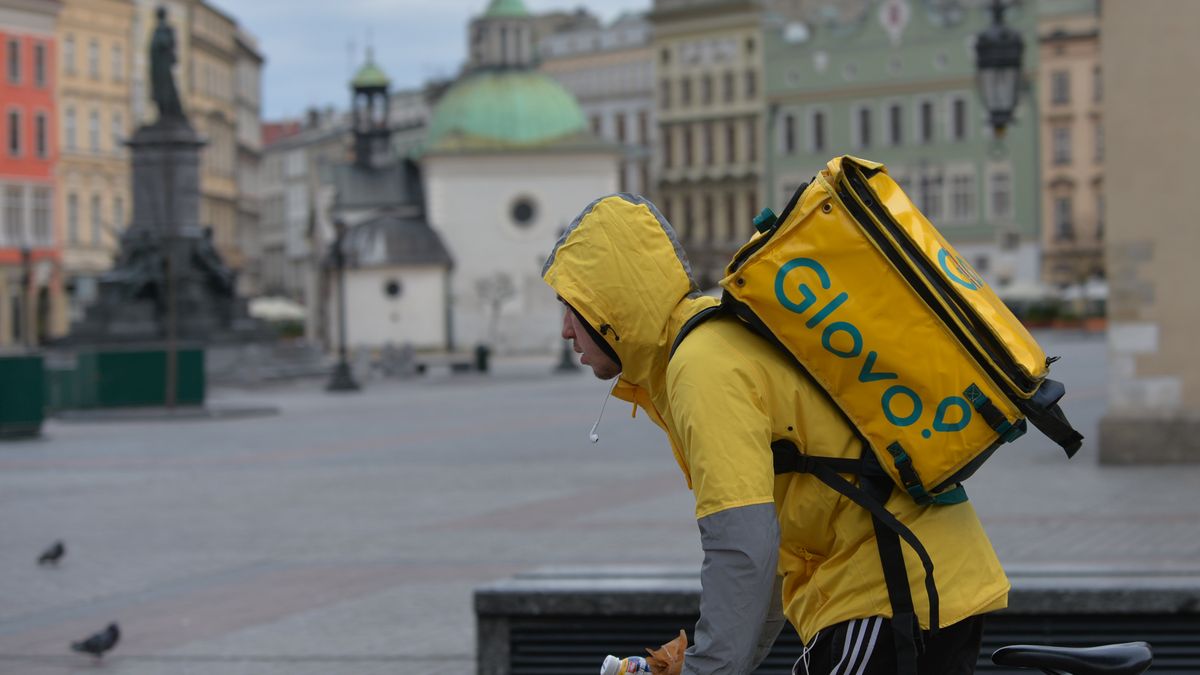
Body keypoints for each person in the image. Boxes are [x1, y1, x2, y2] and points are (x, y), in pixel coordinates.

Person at [543, 193, 1009, 675]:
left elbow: (741, 545)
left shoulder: (701, 368)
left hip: (889, 590)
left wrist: (709, 669)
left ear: (609, 307)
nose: (565, 331)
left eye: (571, 307)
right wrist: (713, 662)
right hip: (911, 582)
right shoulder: (710, 343)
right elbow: (764, 553)